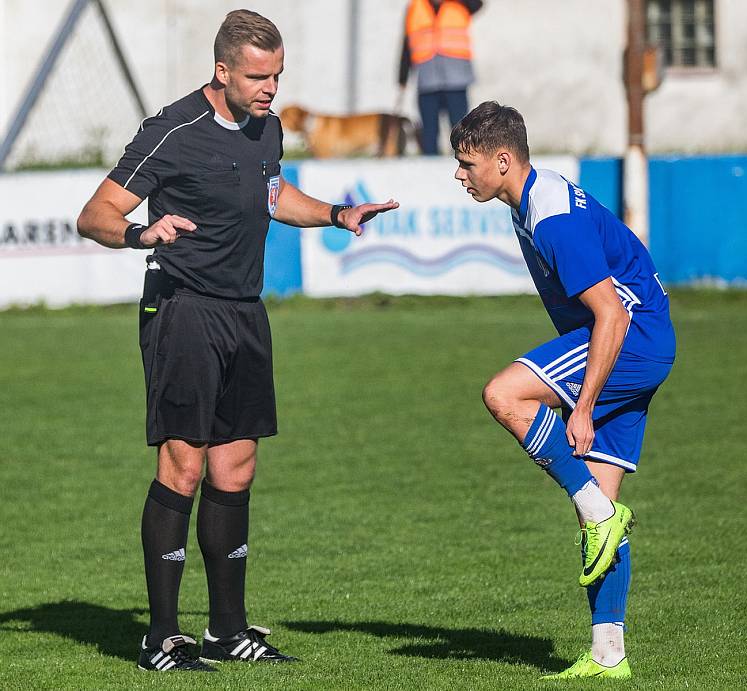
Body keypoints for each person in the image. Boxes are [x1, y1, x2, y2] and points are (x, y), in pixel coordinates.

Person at [77, 9, 398, 673]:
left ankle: (226, 630)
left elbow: (274, 193)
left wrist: (337, 214)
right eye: (257, 76)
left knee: (236, 467)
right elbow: (96, 214)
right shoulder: (172, 129)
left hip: (245, 312)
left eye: (277, 75)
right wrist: (143, 232)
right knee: (185, 466)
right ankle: (161, 636)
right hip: (182, 309)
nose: (270, 88)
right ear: (221, 70)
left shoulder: (267, 127)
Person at [450, 102, 675, 680]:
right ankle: (608, 655)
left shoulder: (551, 216)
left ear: (503, 160)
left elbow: (610, 314)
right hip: (642, 340)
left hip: (628, 337)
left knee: (504, 394)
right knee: (600, 514)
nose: (460, 174)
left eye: (466, 163)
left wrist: (583, 404)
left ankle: (599, 511)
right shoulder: (532, 201)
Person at [398, 0, 483, 155]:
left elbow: (478, 4)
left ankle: (464, 171)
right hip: (427, 80)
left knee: (461, 132)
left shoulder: (461, 4)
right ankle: (430, 173)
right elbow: (407, 43)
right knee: (429, 134)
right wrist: (402, 77)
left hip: (456, 79)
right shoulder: (415, 7)